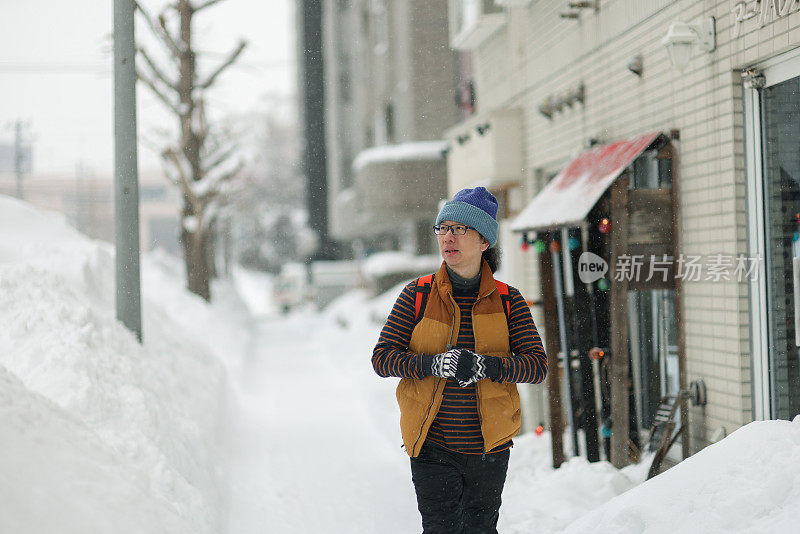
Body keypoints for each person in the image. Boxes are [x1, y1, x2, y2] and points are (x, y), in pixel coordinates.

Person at [372, 186, 548, 533]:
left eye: (460, 229)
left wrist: (488, 367)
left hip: (490, 449)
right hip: (432, 445)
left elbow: (537, 366)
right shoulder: (417, 294)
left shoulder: (508, 301)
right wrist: (431, 364)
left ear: (484, 241)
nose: (448, 237)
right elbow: (382, 359)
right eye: (443, 228)